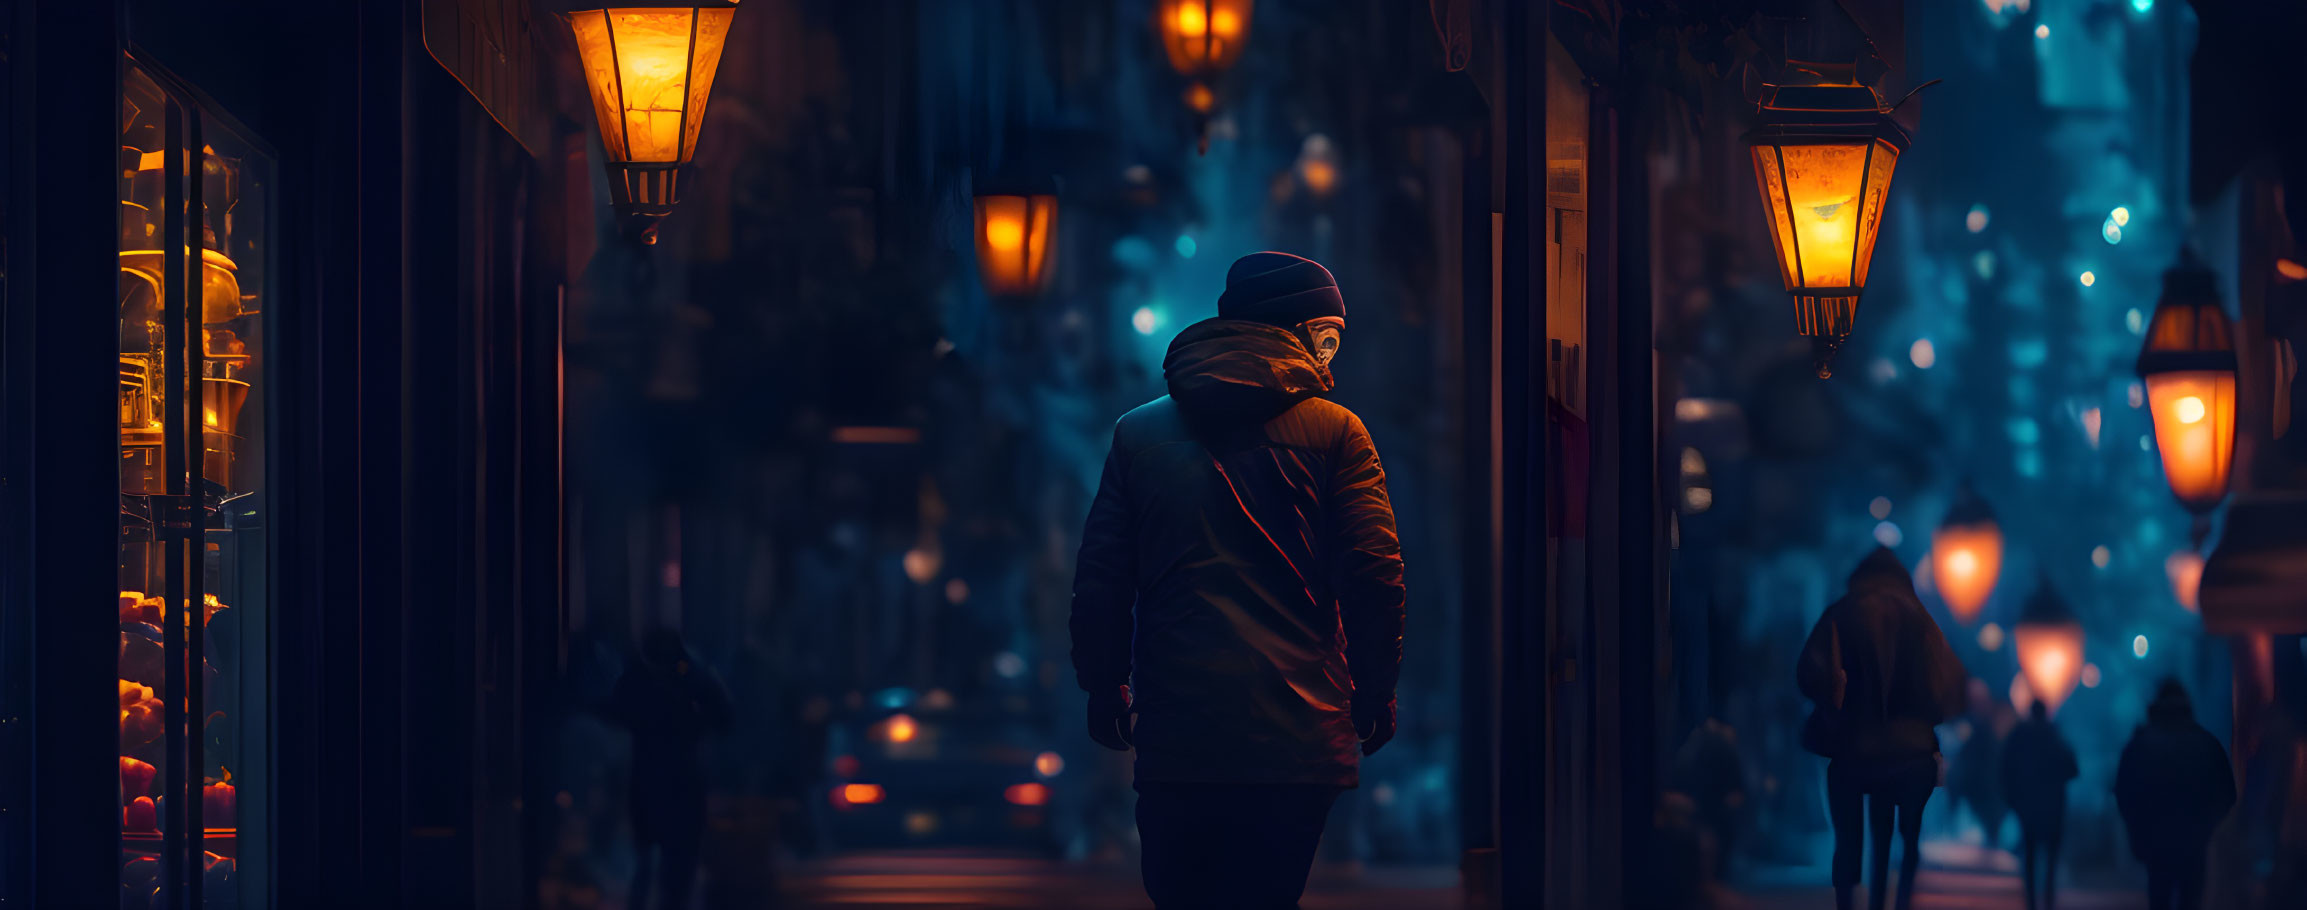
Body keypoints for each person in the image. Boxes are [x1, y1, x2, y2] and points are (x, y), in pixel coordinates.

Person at [1070, 251, 1406, 910]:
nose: (1331, 360)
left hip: (1177, 731)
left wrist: (1104, 683)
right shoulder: (1337, 435)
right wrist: (1375, 686)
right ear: (1295, 333)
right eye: (1326, 338)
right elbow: (1372, 571)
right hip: (1296, 735)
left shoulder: (1138, 435)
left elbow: (1103, 576)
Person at [1796, 547, 1968, 910]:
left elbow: (1809, 673)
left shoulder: (1841, 612)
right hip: (1911, 750)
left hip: (1853, 746)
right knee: (1903, 837)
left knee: (1848, 838)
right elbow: (1951, 686)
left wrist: (1835, 703)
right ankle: (1896, 900)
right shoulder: (1922, 619)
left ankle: (1847, 899)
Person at [602, 626, 733, 910]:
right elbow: (723, 715)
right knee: (665, 861)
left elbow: (723, 715)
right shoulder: (676, 677)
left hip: (657, 777)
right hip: (669, 778)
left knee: (658, 860)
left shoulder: (641, 679)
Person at [2114, 679, 2236, 910]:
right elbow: (2227, 794)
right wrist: (2205, 825)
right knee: (2190, 901)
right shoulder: (2205, 743)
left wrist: (2138, 831)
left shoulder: (2141, 745)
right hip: (2194, 842)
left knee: (2159, 899)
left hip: (2156, 843)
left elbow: (2124, 793)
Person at [2000, 700, 2078, 910]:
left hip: (2028, 806)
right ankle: (2048, 900)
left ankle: (2031, 901)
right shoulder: (2055, 736)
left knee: (2030, 854)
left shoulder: (2019, 736)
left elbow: (2006, 768)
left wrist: (2013, 799)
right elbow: (2072, 768)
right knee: (2050, 857)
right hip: (2053, 807)